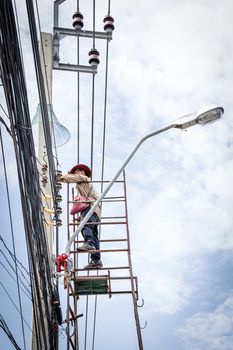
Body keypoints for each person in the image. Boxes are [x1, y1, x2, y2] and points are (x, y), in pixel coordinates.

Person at [59, 164, 102, 269]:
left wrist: (61, 177)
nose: (76, 173)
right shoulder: (81, 185)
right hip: (95, 210)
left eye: (78, 171)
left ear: (83, 172)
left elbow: (74, 178)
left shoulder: (84, 178)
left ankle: (88, 243)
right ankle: (96, 260)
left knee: (86, 226)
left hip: (91, 207)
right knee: (94, 234)